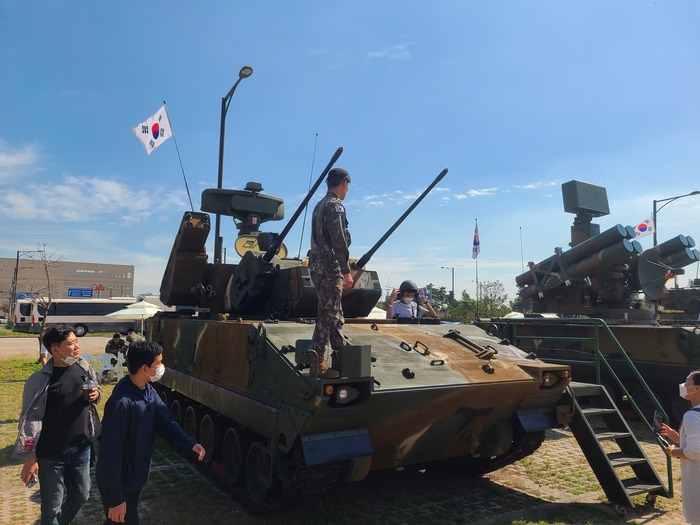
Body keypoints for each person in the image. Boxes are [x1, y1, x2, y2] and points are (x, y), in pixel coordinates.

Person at [97, 339, 205, 524]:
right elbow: (109, 452)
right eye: (159, 363)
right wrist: (114, 498)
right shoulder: (121, 403)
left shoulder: (148, 390)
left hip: (136, 476)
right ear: (144, 368)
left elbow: (166, 421)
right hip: (122, 481)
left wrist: (189, 443)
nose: (162, 367)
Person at [12, 324, 102, 525]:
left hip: (81, 448)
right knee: (52, 508)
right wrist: (30, 457)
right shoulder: (38, 381)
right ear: (54, 349)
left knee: (81, 496)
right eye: (70, 343)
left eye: (77, 341)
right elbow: (29, 421)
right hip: (50, 454)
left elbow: (97, 389)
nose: (77, 347)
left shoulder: (83, 367)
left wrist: (96, 395)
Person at [308, 167, 354, 378]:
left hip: (317, 265)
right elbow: (339, 240)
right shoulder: (336, 206)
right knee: (328, 313)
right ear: (344, 183)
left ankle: (341, 353)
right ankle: (317, 362)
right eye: (348, 186)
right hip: (329, 266)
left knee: (334, 311)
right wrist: (345, 270)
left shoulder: (319, 205)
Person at [660, 370, 700, 524]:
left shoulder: (692, 415)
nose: (683, 385)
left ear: (697, 389)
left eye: (687, 382)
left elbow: (695, 451)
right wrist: (677, 437)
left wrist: (672, 452)